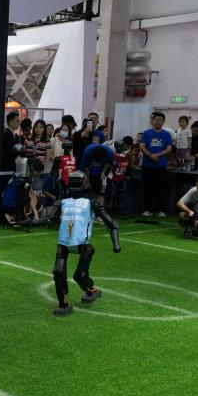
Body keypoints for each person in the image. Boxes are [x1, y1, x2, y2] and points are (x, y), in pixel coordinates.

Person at [40, 170, 121, 316]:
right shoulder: (63, 203)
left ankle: (91, 290)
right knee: (58, 272)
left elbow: (112, 223)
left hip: (83, 244)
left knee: (80, 276)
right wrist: (37, 221)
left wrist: (116, 244)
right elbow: (51, 218)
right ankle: (63, 303)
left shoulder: (91, 203)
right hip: (63, 243)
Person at [140, 112, 173, 217]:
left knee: (160, 189)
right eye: (156, 120)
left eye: (160, 120)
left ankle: (160, 210)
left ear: (163, 122)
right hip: (147, 165)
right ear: (152, 121)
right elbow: (142, 147)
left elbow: (169, 149)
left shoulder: (167, 134)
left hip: (161, 165)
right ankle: (147, 209)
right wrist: (150, 155)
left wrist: (157, 155)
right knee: (147, 188)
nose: (158, 122)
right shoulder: (146, 133)